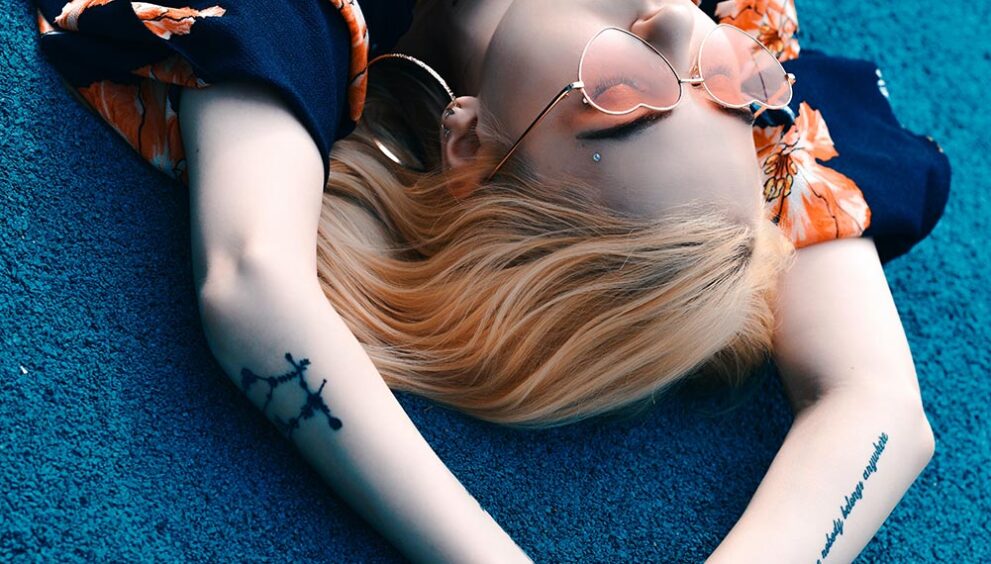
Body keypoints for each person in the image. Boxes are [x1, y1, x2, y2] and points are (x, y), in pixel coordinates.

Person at [32, 0, 950, 561]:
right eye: (718, 82)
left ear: (468, 142)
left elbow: (251, 280)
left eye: (625, 91)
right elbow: (877, 403)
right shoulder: (737, 40)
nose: (677, 21)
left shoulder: (302, 20)